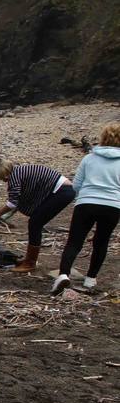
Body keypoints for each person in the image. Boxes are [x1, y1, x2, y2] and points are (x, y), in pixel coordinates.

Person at [52, 123, 120, 294]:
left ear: (103, 137)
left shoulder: (89, 158)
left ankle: (63, 274)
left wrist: (86, 195)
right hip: (112, 205)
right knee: (101, 241)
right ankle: (90, 279)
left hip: (87, 203)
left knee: (74, 241)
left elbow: (76, 185)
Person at [0, 158, 73, 273]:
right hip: (63, 189)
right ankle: (29, 260)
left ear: (3, 172)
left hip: (61, 191)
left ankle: (30, 263)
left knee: (35, 223)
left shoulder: (14, 177)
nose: (3, 181)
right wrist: (12, 211)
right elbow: (26, 194)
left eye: (1, 178)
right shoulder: (20, 171)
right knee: (36, 221)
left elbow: (12, 202)